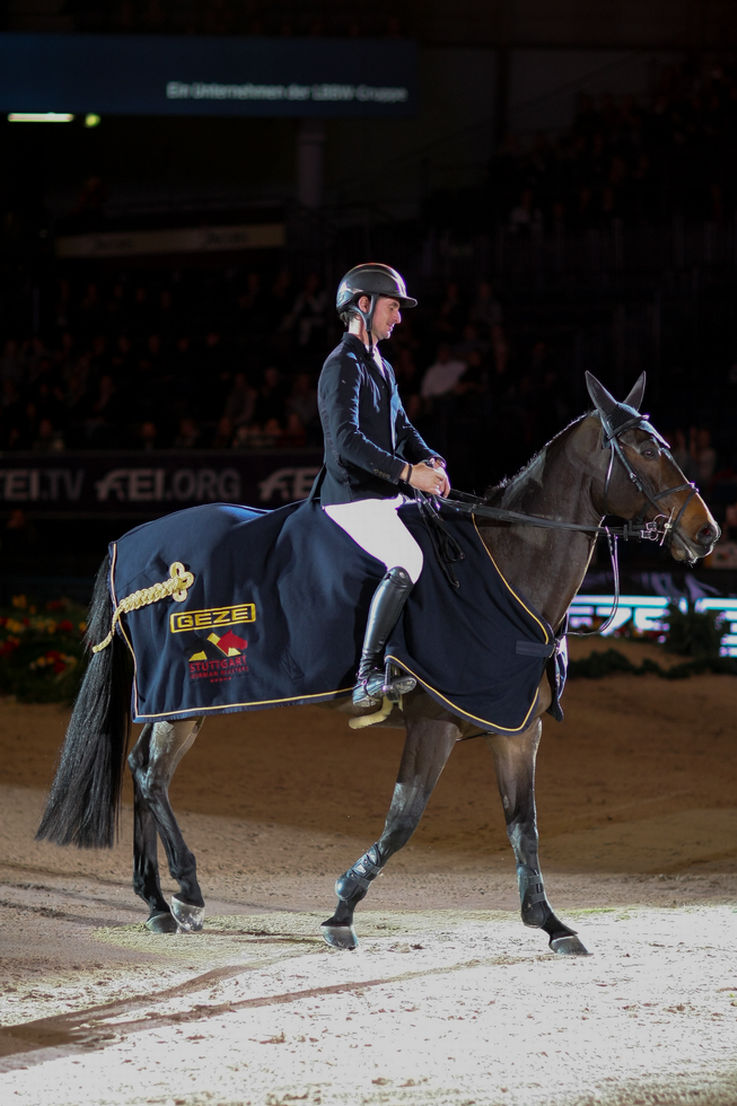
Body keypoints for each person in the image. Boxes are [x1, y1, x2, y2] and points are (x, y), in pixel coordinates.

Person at [311, 262, 451, 709]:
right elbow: (347, 441)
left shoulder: (382, 367)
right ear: (363, 305)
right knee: (408, 556)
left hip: (383, 495)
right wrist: (410, 475)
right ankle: (367, 675)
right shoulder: (342, 365)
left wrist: (429, 457)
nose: (399, 317)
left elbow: (403, 427)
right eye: (392, 307)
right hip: (352, 497)